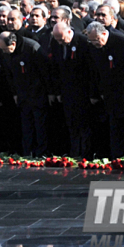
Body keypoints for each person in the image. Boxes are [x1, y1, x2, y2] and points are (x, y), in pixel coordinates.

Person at [86, 22, 124, 159]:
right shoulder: (95, 48)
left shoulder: (123, 43)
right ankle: (116, 155)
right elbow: (95, 71)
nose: (95, 43)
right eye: (92, 41)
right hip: (110, 93)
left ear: (105, 34)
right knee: (115, 126)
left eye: (97, 40)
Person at [0, 31, 51, 156]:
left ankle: (41, 152)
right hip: (22, 94)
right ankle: (28, 152)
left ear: (14, 44)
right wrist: (15, 92)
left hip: (37, 93)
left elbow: (45, 71)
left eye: (6, 49)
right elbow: (9, 73)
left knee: (40, 125)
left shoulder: (31, 48)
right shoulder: (6, 52)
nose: (4, 52)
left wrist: (50, 92)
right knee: (26, 126)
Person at [49, 22, 93, 158]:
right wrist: (57, 91)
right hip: (67, 91)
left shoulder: (83, 42)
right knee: (71, 124)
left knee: (85, 125)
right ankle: (74, 152)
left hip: (83, 91)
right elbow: (55, 68)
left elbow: (90, 69)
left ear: (69, 32)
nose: (60, 42)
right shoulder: (56, 43)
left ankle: (86, 153)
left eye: (61, 38)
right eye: (57, 39)